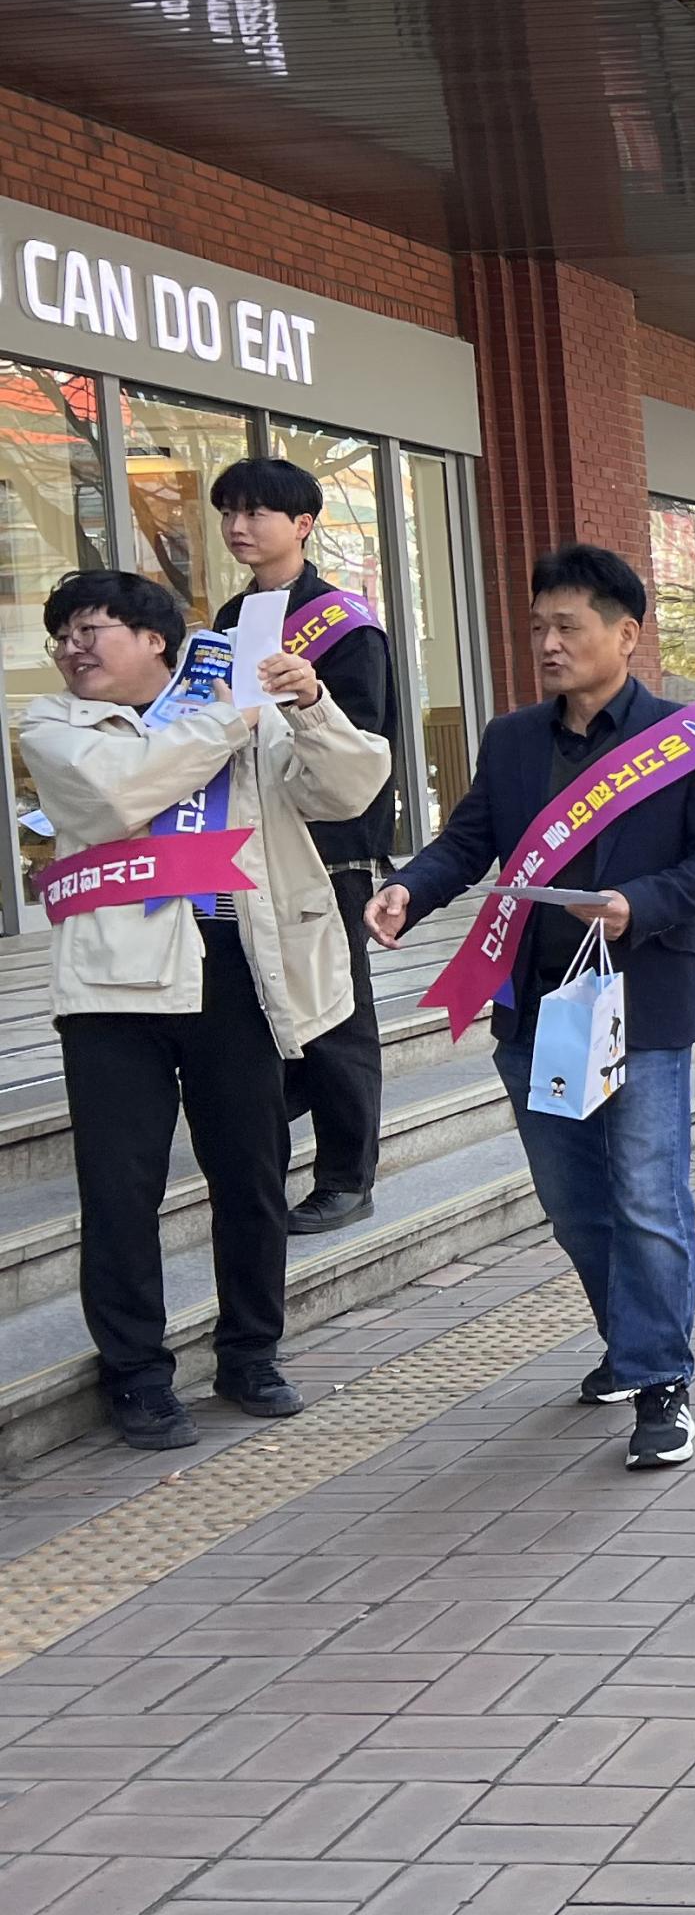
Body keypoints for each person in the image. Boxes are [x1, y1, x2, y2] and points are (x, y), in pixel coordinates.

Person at [370, 545, 695, 1470]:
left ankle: (661, 1378)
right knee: (575, 1203)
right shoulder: (511, 740)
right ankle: (628, 1339)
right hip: (540, 1008)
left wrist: (640, 905)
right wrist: (408, 893)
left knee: (648, 1197)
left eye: (567, 625)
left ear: (626, 632)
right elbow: (466, 843)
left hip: (644, 1003)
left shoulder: (686, 738)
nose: (546, 641)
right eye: (537, 625)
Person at [24, 571, 388, 1447]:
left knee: (251, 1178)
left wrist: (309, 705)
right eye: (62, 635)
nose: (74, 647)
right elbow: (118, 797)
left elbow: (348, 791)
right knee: (120, 1192)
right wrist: (235, 719)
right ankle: (138, 1376)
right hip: (114, 986)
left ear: (156, 638)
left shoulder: (247, 709)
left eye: (92, 628)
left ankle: (250, 1354)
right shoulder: (57, 725)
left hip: (236, 969)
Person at [209, 457, 399, 1234]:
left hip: (329, 847)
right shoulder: (228, 617)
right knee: (264, 1000)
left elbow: (361, 742)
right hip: (251, 844)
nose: (238, 526)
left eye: (256, 512)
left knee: (336, 1010)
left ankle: (346, 1173)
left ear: (303, 525)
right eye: (229, 512)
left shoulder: (344, 622)